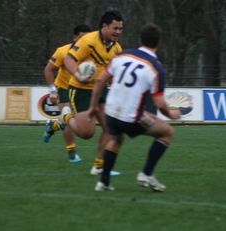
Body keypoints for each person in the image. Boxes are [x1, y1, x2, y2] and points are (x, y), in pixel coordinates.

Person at [88, 23, 181, 192]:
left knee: (116, 140)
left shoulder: (120, 56)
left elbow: (101, 81)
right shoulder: (155, 67)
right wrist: (172, 114)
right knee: (167, 132)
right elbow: (160, 103)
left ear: (140, 40)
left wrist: (93, 107)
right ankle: (146, 174)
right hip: (132, 118)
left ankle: (103, 182)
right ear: (158, 43)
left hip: (110, 114)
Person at [49, 10, 123, 175]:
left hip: (101, 90)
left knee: (110, 128)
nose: (118, 32)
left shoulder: (117, 48)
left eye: (120, 29)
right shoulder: (88, 41)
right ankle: (66, 116)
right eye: (115, 28)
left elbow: (113, 71)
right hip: (80, 90)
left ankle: (99, 166)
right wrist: (78, 75)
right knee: (87, 133)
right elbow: (69, 59)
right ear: (104, 26)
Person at [43, 24, 91, 163]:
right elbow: (48, 70)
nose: (85, 40)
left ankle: (53, 126)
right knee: (68, 117)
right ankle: (72, 152)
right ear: (75, 37)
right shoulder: (63, 51)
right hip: (64, 89)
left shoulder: (91, 53)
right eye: (82, 37)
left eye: (88, 38)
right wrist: (53, 92)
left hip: (81, 90)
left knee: (79, 123)